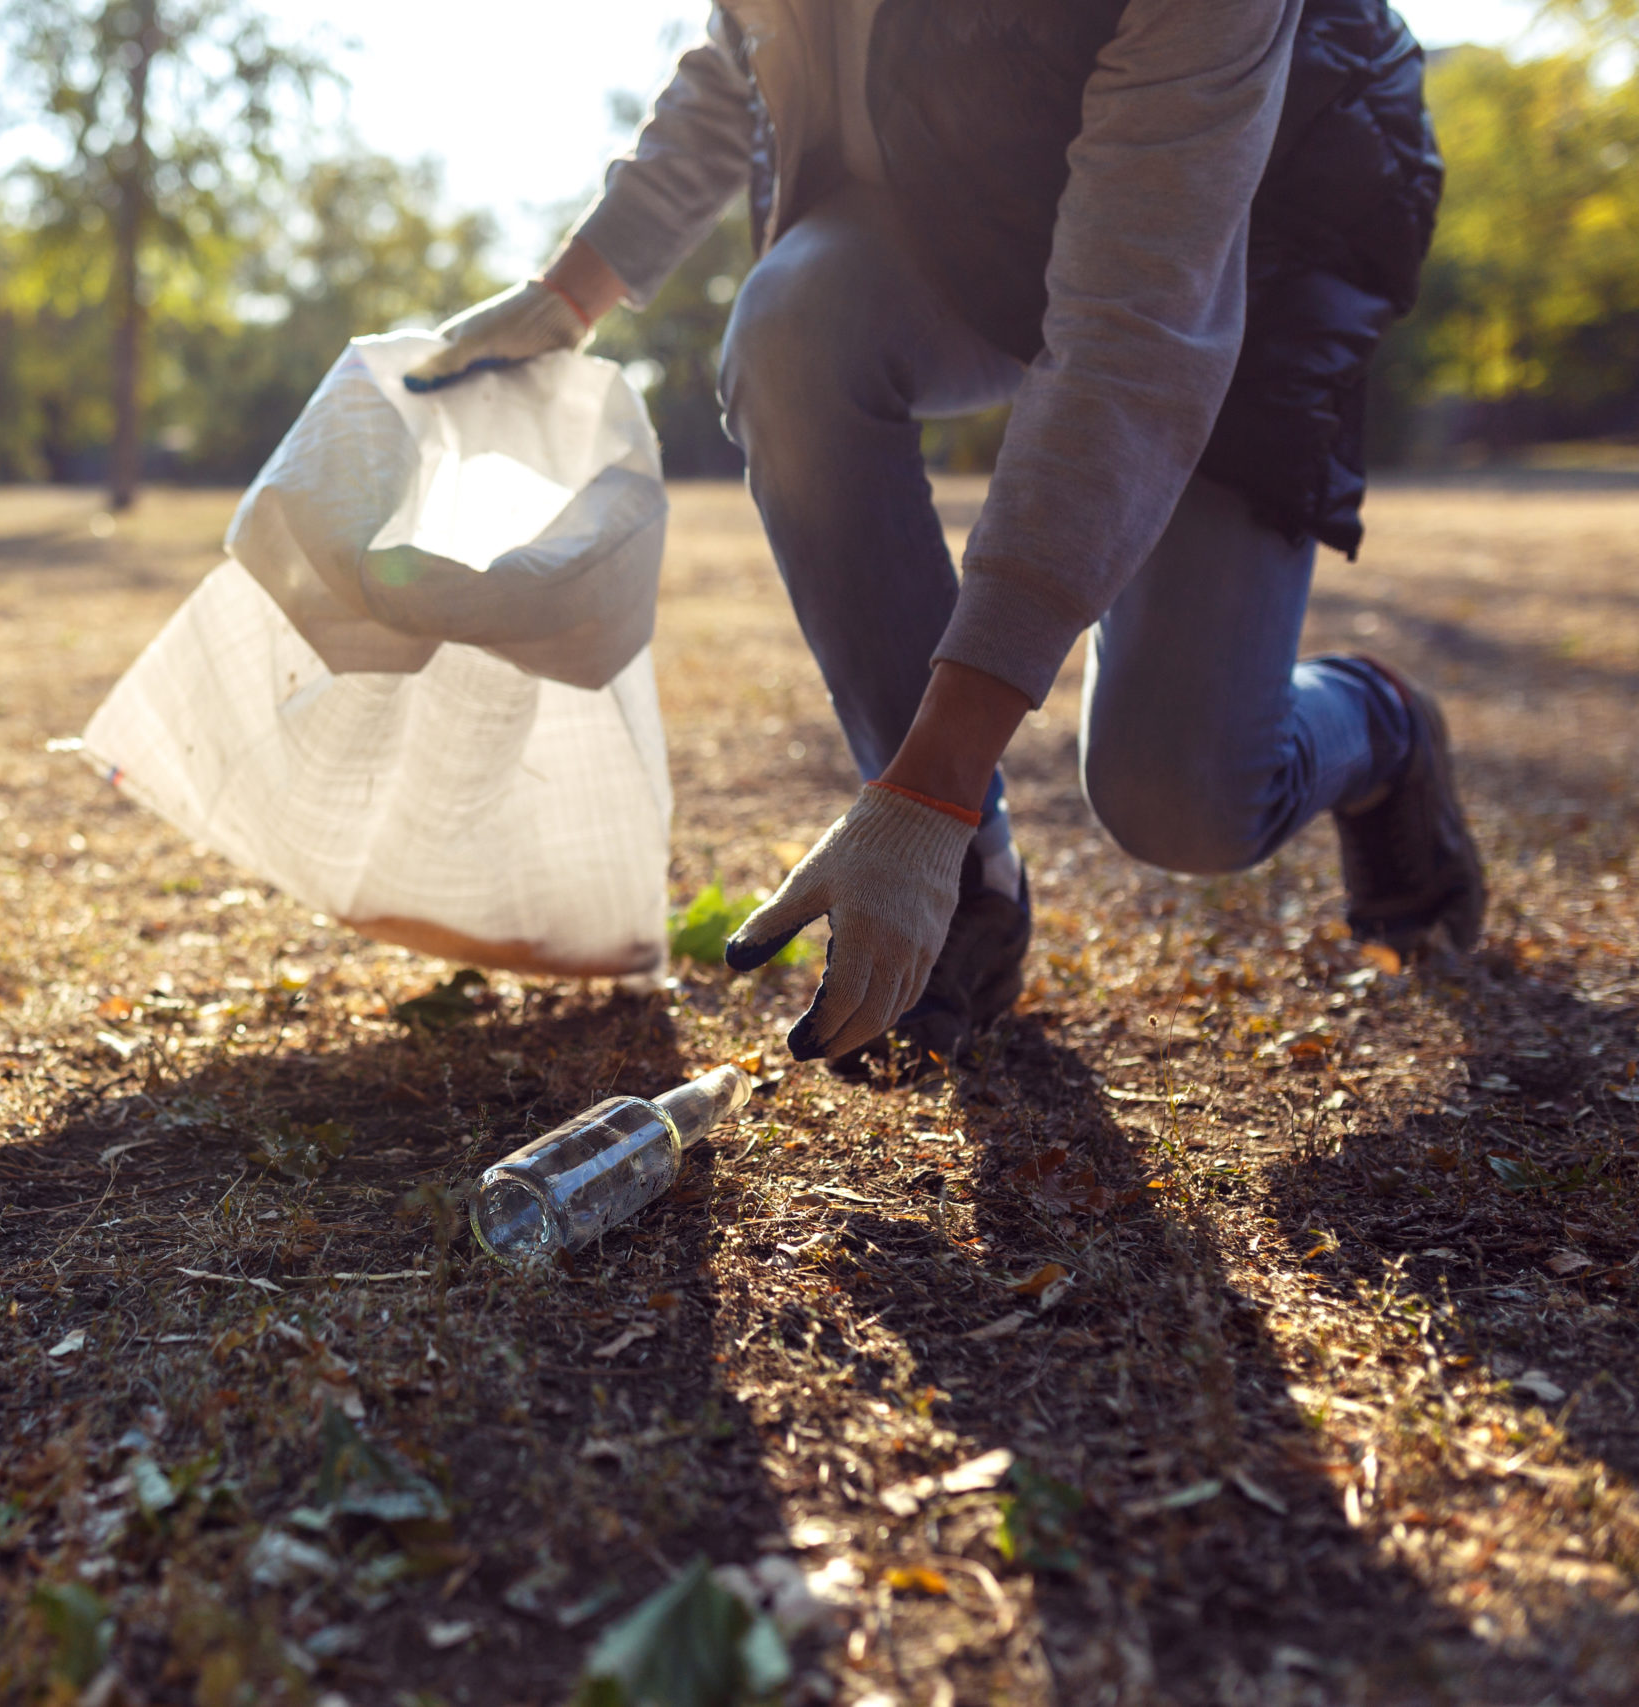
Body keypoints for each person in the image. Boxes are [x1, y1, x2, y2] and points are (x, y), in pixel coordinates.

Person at [408, 0, 1482, 1067]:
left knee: (1185, 802)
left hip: (1257, 214)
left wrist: (936, 779)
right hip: (976, 198)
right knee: (793, 327)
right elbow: (746, 51)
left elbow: (1130, 334)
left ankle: (1382, 727)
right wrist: (570, 292)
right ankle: (968, 880)